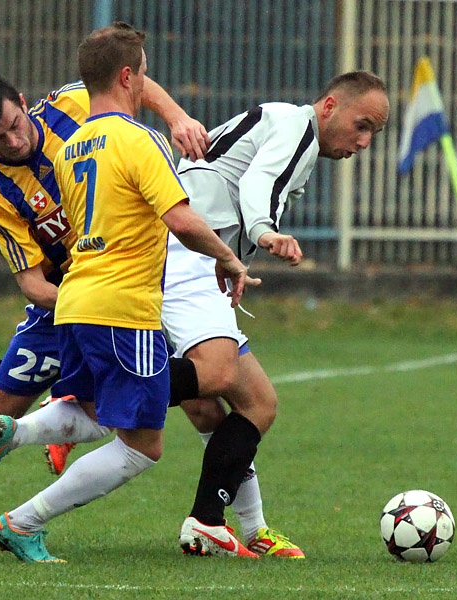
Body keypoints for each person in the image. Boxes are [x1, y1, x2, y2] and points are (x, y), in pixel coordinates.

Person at [0, 61, 214, 544]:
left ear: (23, 101)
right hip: (62, 307)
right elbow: (32, 283)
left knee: (107, 417)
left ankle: (47, 427)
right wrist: (86, 301)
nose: (13, 142)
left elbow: (132, 80)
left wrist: (176, 116)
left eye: (15, 125)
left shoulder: (71, 103)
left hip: (110, 296)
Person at [0, 21, 248, 563]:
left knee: (95, 409)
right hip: (124, 308)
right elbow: (179, 219)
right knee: (143, 446)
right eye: (144, 72)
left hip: (75, 301)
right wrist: (227, 256)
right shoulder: (140, 139)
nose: (146, 80)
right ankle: (22, 520)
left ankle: (19, 429)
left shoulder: (70, 147)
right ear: (128, 77)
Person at [171, 69, 390, 554]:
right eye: (362, 125)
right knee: (255, 402)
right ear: (330, 105)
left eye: (374, 132)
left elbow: (223, 184)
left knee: (209, 407)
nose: (365, 141)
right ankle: (90, 402)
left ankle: (237, 527)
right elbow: (257, 183)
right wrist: (266, 233)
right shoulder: (297, 126)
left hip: (187, 265)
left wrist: (232, 265)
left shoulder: (285, 125)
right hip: (179, 266)